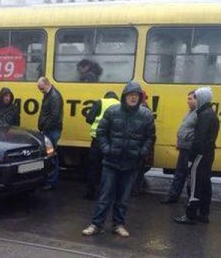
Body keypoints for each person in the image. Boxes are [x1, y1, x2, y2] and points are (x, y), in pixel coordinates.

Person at [82, 81, 155, 237]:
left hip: (131, 164)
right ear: (124, 96)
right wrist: (107, 149)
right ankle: (96, 225)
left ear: (140, 97)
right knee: (104, 196)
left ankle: (118, 225)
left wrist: (141, 152)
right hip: (111, 162)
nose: (133, 98)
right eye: (131, 95)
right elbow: (101, 132)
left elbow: (150, 137)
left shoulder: (146, 115)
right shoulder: (112, 111)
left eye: (136, 95)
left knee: (123, 198)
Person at [174, 87, 219, 225]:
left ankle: (190, 215)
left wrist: (192, 158)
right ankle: (204, 213)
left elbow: (199, 139)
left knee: (194, 184)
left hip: (200, 155)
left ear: (202, 99)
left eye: (197, 97)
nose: (195, 100)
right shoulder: (210, 113)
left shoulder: (204, 115)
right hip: (208, 153)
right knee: (205, 183)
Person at [161, 90, 197, 204]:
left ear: (197, 100)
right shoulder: (190, 112)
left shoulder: (197, 114)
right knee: (180, 173)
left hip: (189, 149)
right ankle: (173, 196)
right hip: (184, 147)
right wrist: (179, 141)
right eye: (188, 99)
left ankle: (185, 200)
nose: (188, 101)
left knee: (185, 174)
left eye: (190, 99)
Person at [84, 91, 119, 200]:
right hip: (113, 142)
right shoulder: (121, 105)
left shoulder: (100, 102)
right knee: (109, 168)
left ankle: (91, 193)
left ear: (106, 97)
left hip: (98, 140)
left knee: (93, 166)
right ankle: (107, 194)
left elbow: (89, 118)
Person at [37, 77, 63, 191]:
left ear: (46, 84)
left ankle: (52, 181)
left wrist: (44, 128)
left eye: (41, 88)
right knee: (50, 155)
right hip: (50, 129)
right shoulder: (50, 94)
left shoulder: (54, 97)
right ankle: (50, 180)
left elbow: (54, 116)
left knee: (51, 156)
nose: (40, 91)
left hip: (51, 130)